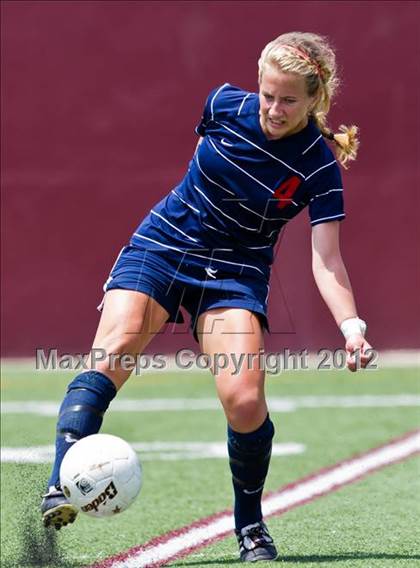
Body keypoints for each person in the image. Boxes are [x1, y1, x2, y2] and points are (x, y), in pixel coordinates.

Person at [41, 31, 372, 562]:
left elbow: (327, 259)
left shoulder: (319, 165)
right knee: (113, 353)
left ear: (315, 99)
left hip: (237, 272)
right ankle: (59, 483)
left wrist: (352, 329)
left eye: (289, 99)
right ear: (257, 83)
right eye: (268, 93)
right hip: (164, 244)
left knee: (244, 401)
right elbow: (200, 173)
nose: (274, 108)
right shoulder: (222, 103)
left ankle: (250, 525)